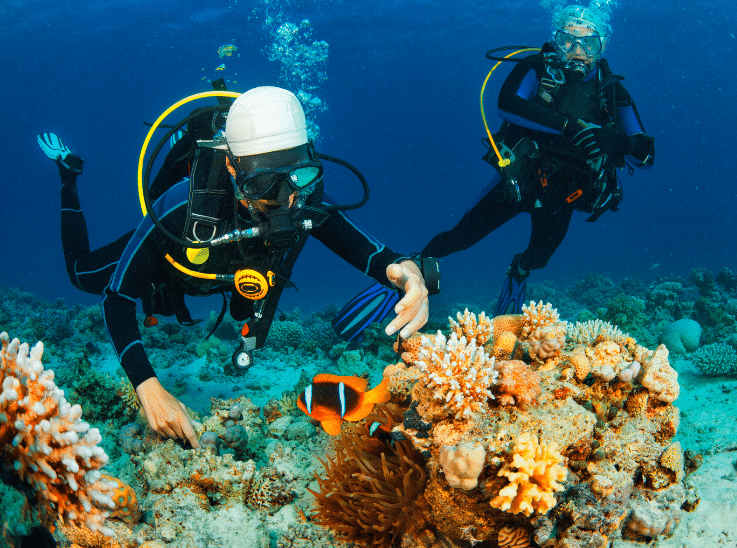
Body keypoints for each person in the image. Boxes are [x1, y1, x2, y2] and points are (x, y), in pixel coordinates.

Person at [38, 86, 436, 448]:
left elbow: (374, 255)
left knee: (253, 300)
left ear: (311, 159)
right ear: (233, 168)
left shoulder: (307, 199)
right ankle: (67, 176)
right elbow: (117, 298)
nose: (285, 200)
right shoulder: (179, 209)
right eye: (263, 184)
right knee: (82, 276)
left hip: (236, 277)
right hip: (171, 267)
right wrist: (147, 386)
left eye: (297, 176)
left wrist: (408, 273)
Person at [420, 5, 655, 316]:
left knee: (539, 258)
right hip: (518, 180)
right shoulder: (537, 69)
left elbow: (646, 156)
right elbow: (506, 105)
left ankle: (518, 271)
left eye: (589, 43)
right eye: (567, 41)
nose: (577, 51)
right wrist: (568, 127)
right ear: (555, 41)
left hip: (565, 196)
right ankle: (410, 267)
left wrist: (616, 140)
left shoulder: (613, 94)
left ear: (603, 46)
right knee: (459, 238)